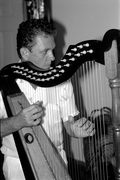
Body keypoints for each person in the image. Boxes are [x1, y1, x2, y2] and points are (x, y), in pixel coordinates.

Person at [0, 19, 95, 180]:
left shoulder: (62, 81)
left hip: (58, 160)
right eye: (45, 51)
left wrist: (75, 130)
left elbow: (69, 124)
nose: (52, 57)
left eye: (53, 50)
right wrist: (18, 121)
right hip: (17, 167)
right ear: (25, 53)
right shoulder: (5, 83)